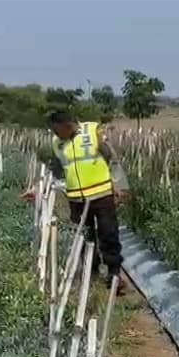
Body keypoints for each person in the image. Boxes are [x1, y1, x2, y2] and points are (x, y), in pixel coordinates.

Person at [36, 111, 130, 294]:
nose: (55, 135)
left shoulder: (92, 131)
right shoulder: (58, 144)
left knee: (108, 234)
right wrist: (38, 188)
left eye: (57, 130)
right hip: (77, 199)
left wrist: (120, 186)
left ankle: (114, 274)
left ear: (68, 125)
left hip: (101, 194)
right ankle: (91, 275)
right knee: (84, 237)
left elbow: (112, 159)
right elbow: (56, 170)